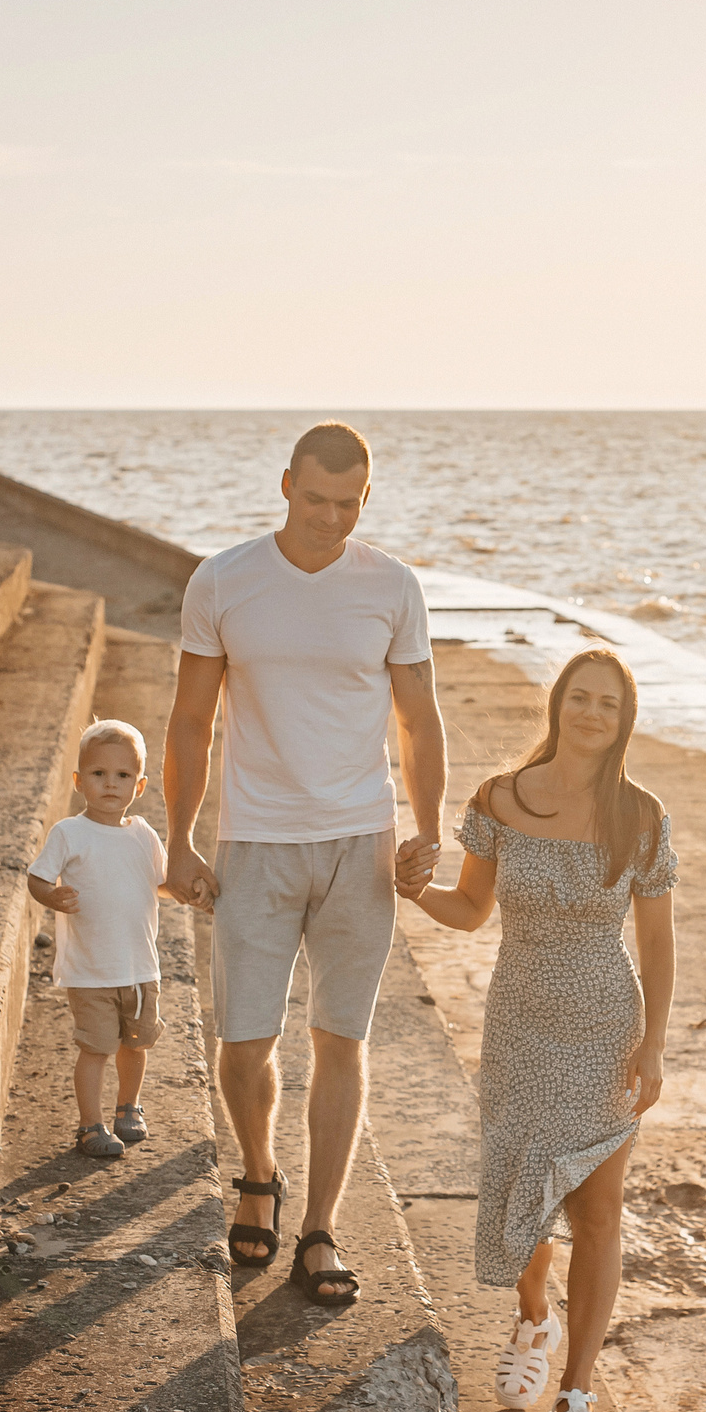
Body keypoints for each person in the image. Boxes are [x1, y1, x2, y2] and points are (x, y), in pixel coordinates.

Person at [162, 421, 445, 1305]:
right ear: (285, 484)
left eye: (349, 504)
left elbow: (421, 719)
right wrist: (177, 837)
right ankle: (257, 1170)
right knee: (244, 1039)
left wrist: (426, 828)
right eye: (316, 499)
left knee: (341, 1039)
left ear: (368, 498)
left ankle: (320, 1225)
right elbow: (188, 721)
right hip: (255, 840)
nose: (330, 519)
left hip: (362, 842)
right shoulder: (225, 581)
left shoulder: (392, 587)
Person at [399, 646, 676, 1412]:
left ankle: (576, 1392)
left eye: (610, 705)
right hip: (519, 1026)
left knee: (597, 1212)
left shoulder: (641, 813)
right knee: (524, 1195)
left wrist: (653, 1043)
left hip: (605, 1029)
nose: (592, 714)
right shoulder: (500, 799)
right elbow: (471, 908)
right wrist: (410, 887)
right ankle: (533, 1317)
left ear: (624, 721)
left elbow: (657, 944)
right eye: (580, 698)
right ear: (557, 703)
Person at [26, 719, 168, 1160]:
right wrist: (52, 896)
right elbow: (36, 876)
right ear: (78, 780)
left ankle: (129, 1106)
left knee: (137, 1042)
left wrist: (195, 891)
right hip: (91, 971)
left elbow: (164, 883)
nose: (111, 784)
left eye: (123, 775)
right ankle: (90, 1125)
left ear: (139, 786)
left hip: (140, 967)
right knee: (96, 1048)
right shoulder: (70, 832)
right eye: (98, 774)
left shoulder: (144, 834)